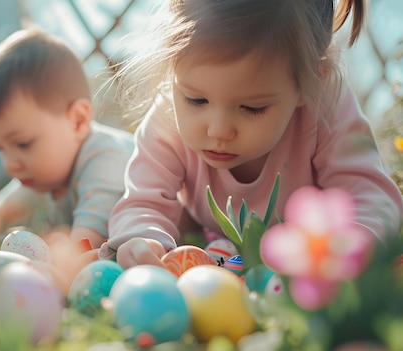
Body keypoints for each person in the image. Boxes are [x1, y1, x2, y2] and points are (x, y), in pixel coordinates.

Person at [99, 0, 403, 268]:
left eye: (252, 107)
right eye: (196, 100)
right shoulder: (168, 115)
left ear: (309, 84)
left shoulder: (325, 103)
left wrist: (345, 251)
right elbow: (143, 201)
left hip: (307, 257)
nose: (218, 130)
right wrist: (143, 239)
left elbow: (370, 198)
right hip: (215, 255)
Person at [0, 28, 134, 249]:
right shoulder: (46, 174)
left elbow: (88, 242)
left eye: (23, 143)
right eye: (0, 149)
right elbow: (2, 211)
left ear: (78, 121)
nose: (10, 164)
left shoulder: (106, 158)